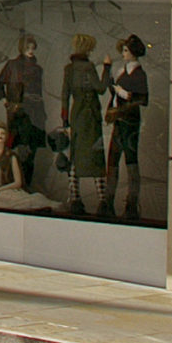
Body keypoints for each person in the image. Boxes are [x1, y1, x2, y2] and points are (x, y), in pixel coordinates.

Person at [102, 33, 151, 221]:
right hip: (119, 122)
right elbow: (111, 88)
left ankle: (131, 203)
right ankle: (108, 201)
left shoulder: (139, 74)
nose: (123, 53)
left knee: (130, 161)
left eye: (125, 50)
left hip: (129, 123)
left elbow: (143, 99)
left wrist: (126, 95)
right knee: (113, 161)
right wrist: (107, 71)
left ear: (132, 52)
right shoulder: (124, 71)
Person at [59, 31, 107, 217]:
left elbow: (65, 96)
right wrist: (108, 69)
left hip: (76, 117)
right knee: (95, 156)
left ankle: (75, 199)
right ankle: (102, 200)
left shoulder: (69, 69)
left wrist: (65, 122)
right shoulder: (89, 67)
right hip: (91, 118)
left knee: (75, 158)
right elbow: (101, 89)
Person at [0, 32, 47, 190]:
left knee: (32, 152)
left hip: (35, 113)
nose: (30, 50)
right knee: (17, 150)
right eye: (27, 47)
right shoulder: (12, 65)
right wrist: (6, 103)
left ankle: (26, 186)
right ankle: (16, 185)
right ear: (21, 48)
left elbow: (38, 93)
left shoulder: (38, 69)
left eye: (32, 47)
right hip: (18, 114)